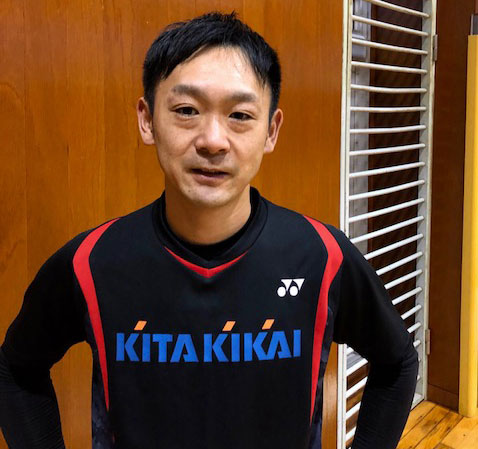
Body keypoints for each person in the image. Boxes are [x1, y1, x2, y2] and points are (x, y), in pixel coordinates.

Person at [0, 11, 418, 449]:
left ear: (271, 130)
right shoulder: (93, 262)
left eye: (240, 115)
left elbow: (397, 364)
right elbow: (15, 370)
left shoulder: (322, 257)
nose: (213, 140)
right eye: (187, 110)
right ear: (147, 119)